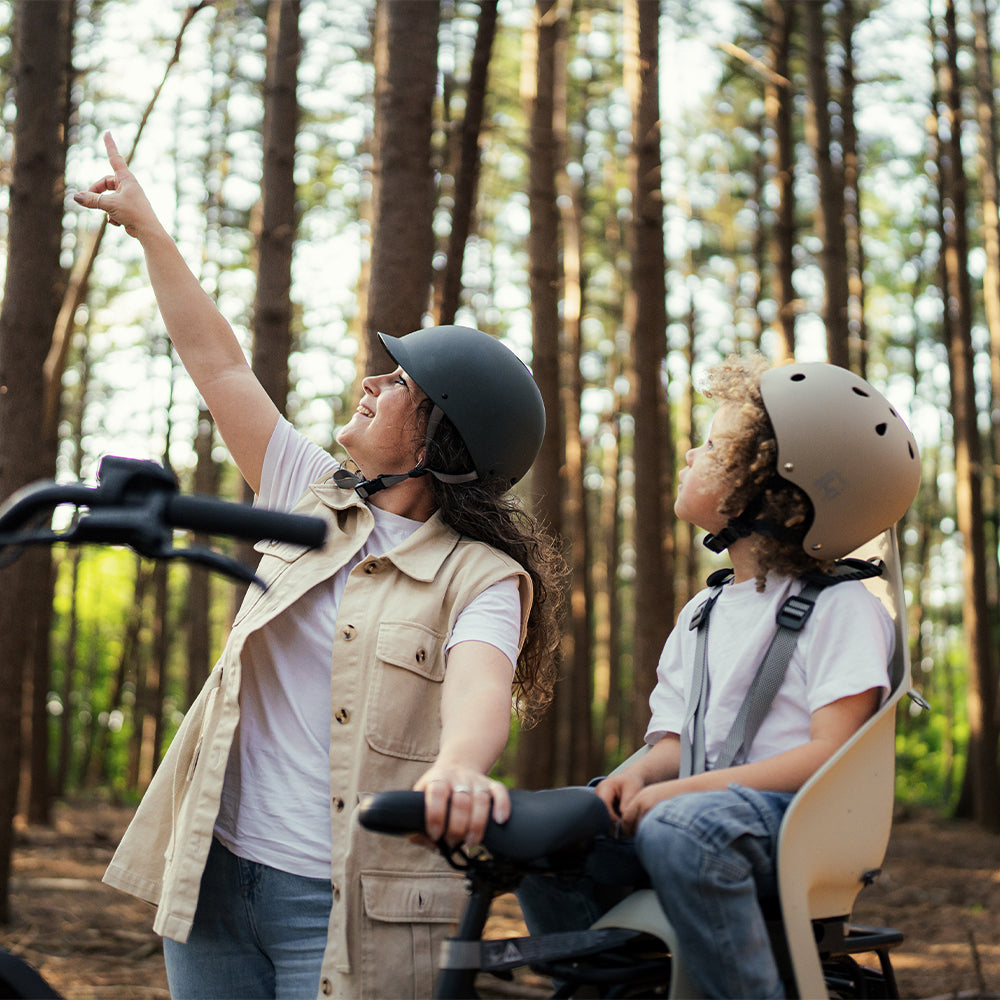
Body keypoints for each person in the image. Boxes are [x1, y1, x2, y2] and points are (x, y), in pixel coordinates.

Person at [74, 133, 563, 1000]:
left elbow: (481, 690)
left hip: (344, 905)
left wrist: (460, 766)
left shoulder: (480, 577)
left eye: (400, 382)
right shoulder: (309, 492)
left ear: (443, 438)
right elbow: (218, 362)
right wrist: (148, 228)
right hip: (214, 879)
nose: (372, 382)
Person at [517, 353, 920, 999]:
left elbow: (830, 755)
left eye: (710, 447)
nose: (688, 454)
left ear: (771, 488)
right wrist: (627, 782)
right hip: (698, 814)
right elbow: (673, 745)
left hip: (797, 822)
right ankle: (615, 986)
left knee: (683, 828)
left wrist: (682, 795)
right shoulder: (703, 612)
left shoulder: (842, 607)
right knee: (548, 829)